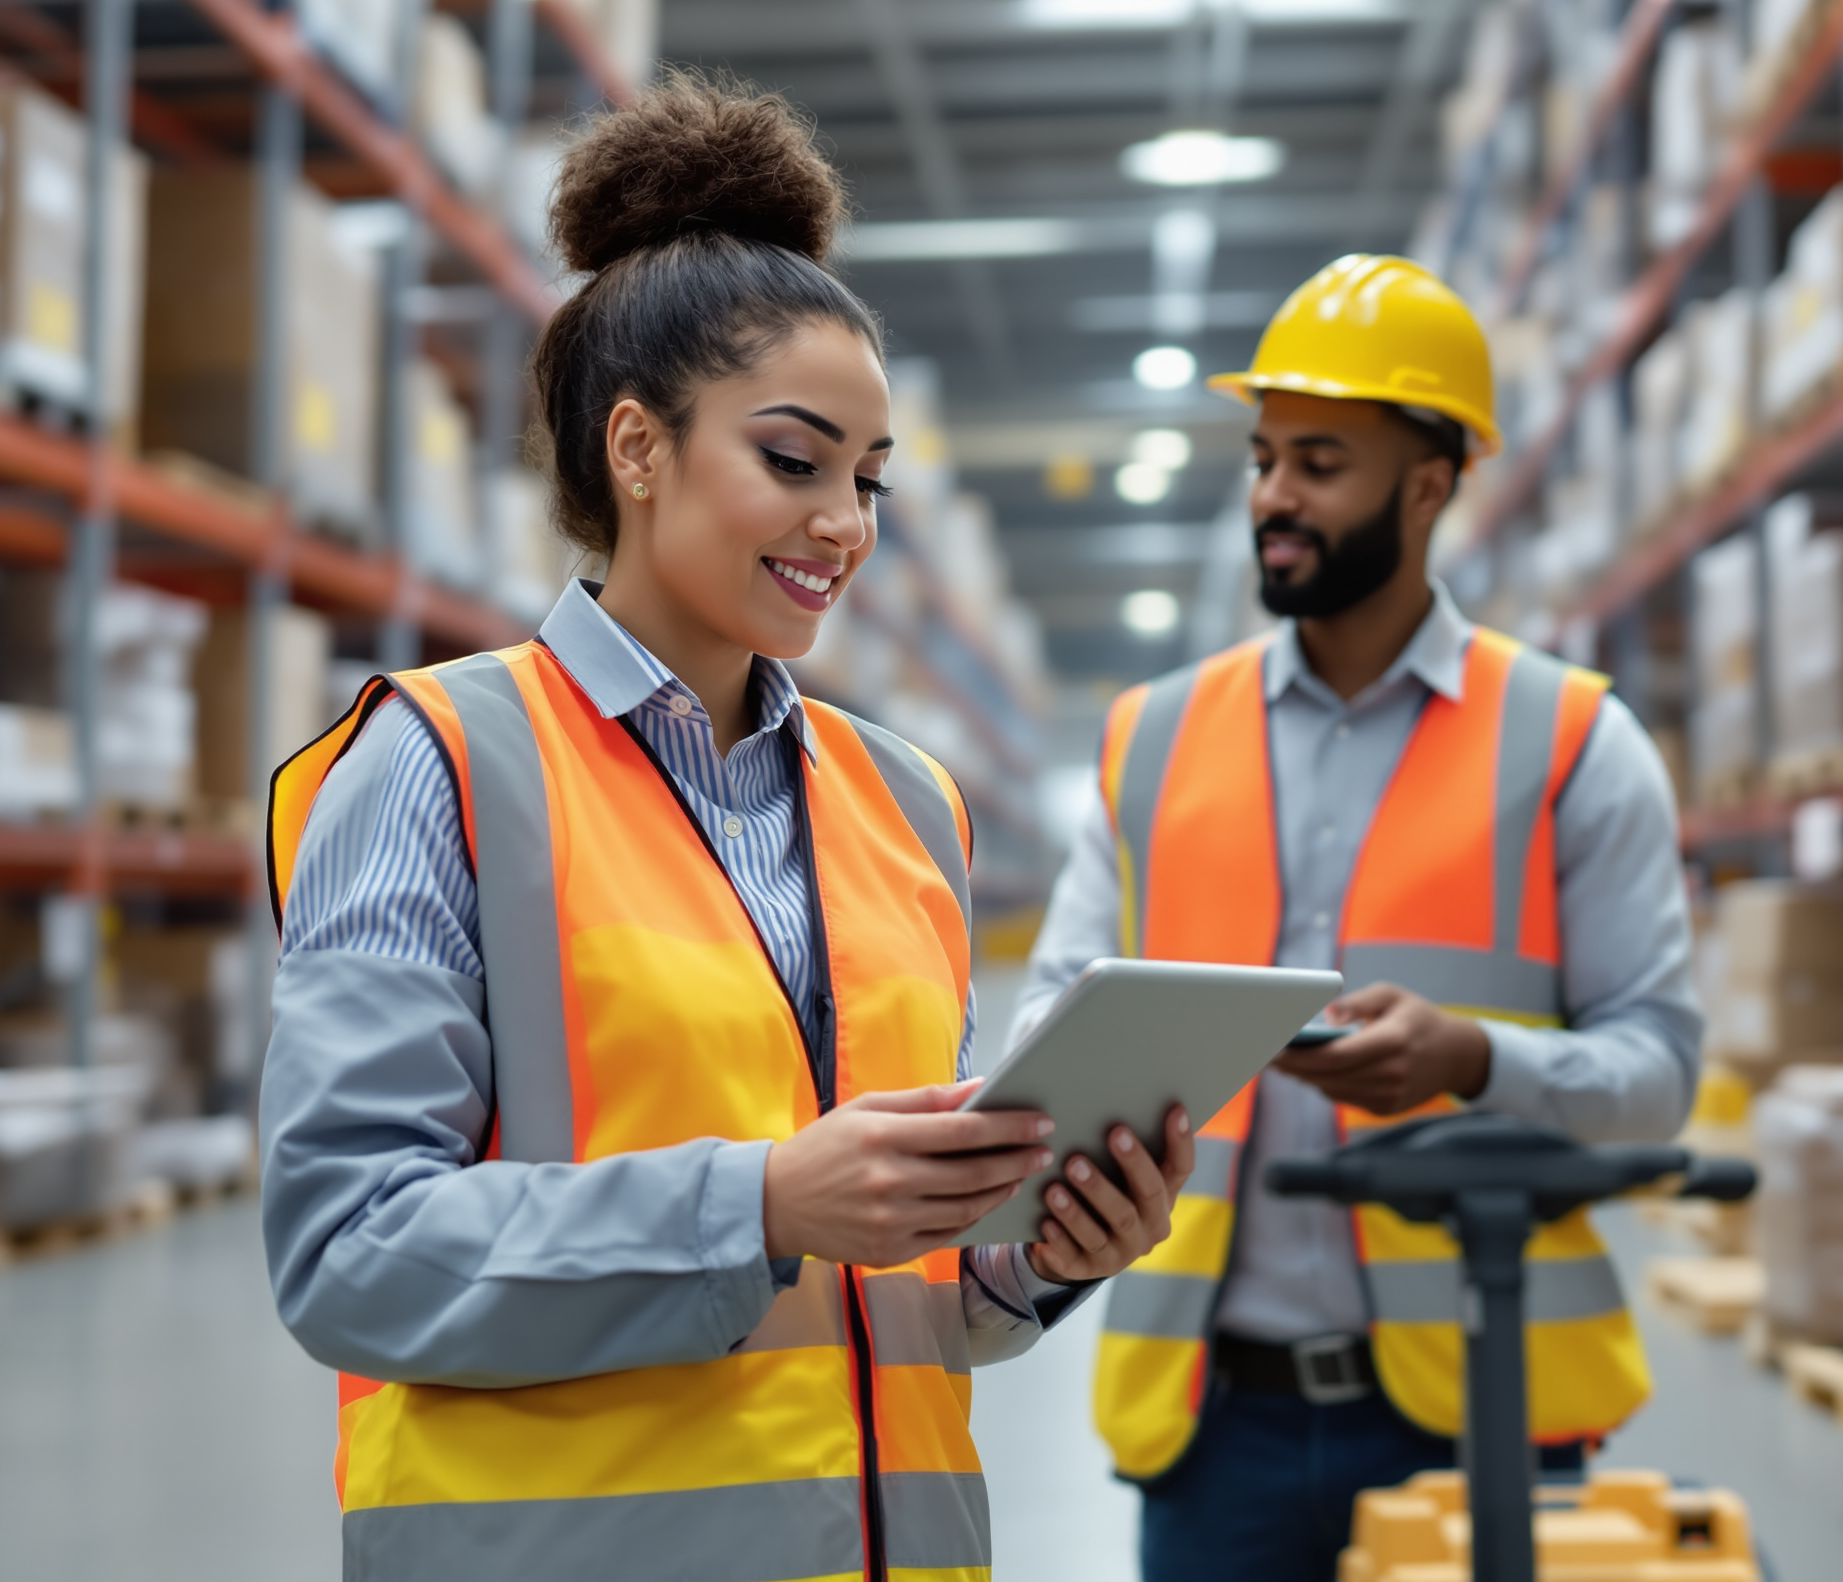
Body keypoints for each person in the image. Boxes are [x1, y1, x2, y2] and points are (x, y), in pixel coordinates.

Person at [259, 78, 1192, 1582]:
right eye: (795, 460)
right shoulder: (438, 768)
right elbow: (348, 1253)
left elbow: (903, 1293)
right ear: (636, 448)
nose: (847, 525)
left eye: (871, 481)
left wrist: (1035, 1255)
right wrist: (758, 1201)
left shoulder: (906, 806)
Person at [1015, 255, 1702, 1582]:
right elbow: (1047, 1028)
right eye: (1266, 457)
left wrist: (1476, 1061)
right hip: (1214, 1429)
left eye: (1321, 463)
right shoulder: (1151, 742)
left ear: (1431, 484)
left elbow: (1658, 1076)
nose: (1274, 495)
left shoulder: (1571, 742)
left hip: (1484, 1416)